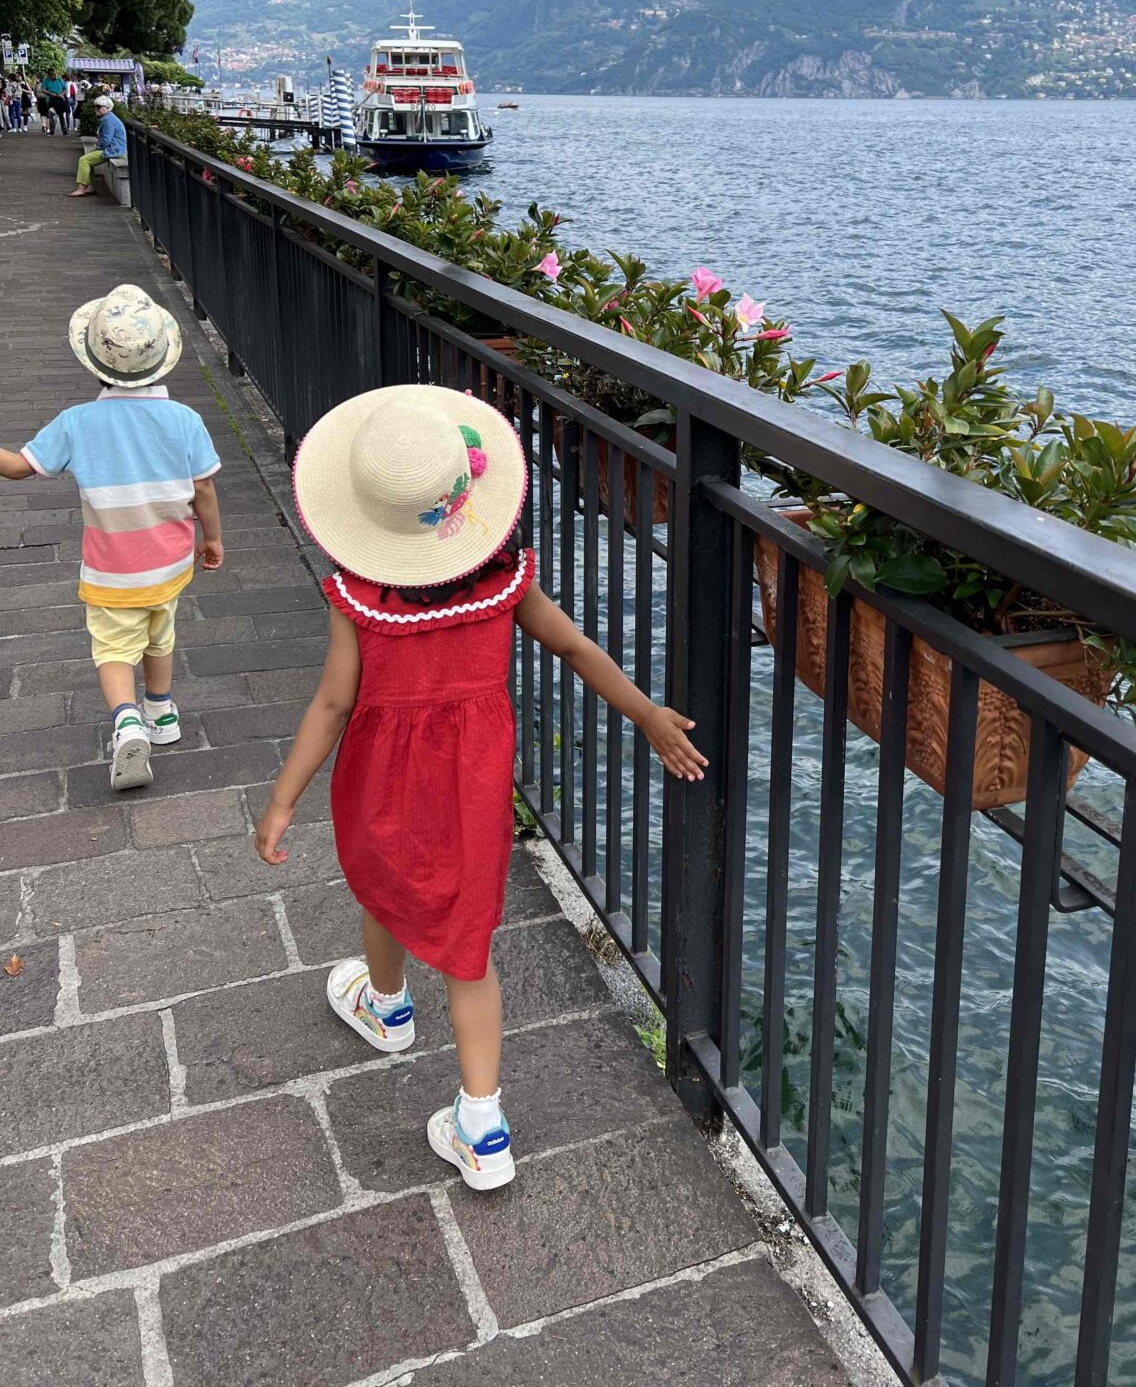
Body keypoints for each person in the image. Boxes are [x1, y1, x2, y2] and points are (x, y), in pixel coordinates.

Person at [251, 386, 704, 1190]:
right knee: (470, 953)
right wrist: (646, 715)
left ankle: (386, 1008)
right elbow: (575, 650)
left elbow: (332, 703)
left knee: (385, 888)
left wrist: (284, 798)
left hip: (381, 786)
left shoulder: (362, 600)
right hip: (472, 789)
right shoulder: (504, 584)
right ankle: (482, 1126)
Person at [0, 285, 224, 790]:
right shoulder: (185, 420)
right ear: (162, 359)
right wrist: (213, 539)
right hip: (169, 565)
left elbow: (18, 468)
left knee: (113, 648)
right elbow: (204, 488)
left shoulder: (77, 422)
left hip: (110, 570)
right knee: (159, 633)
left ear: (95, 364)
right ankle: (162, 715)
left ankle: (127, 720)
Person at [72, 92, 126, 195]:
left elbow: (106, 140)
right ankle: (90, 187)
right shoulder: (108, 118)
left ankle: (82, 188)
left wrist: (97, 146)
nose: (96, 109)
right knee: (88, 159)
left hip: (114, 150)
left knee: (84, 160)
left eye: (99, 107)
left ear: (107, 108)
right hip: (115, 149)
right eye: (95, 107)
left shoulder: (108, 120)